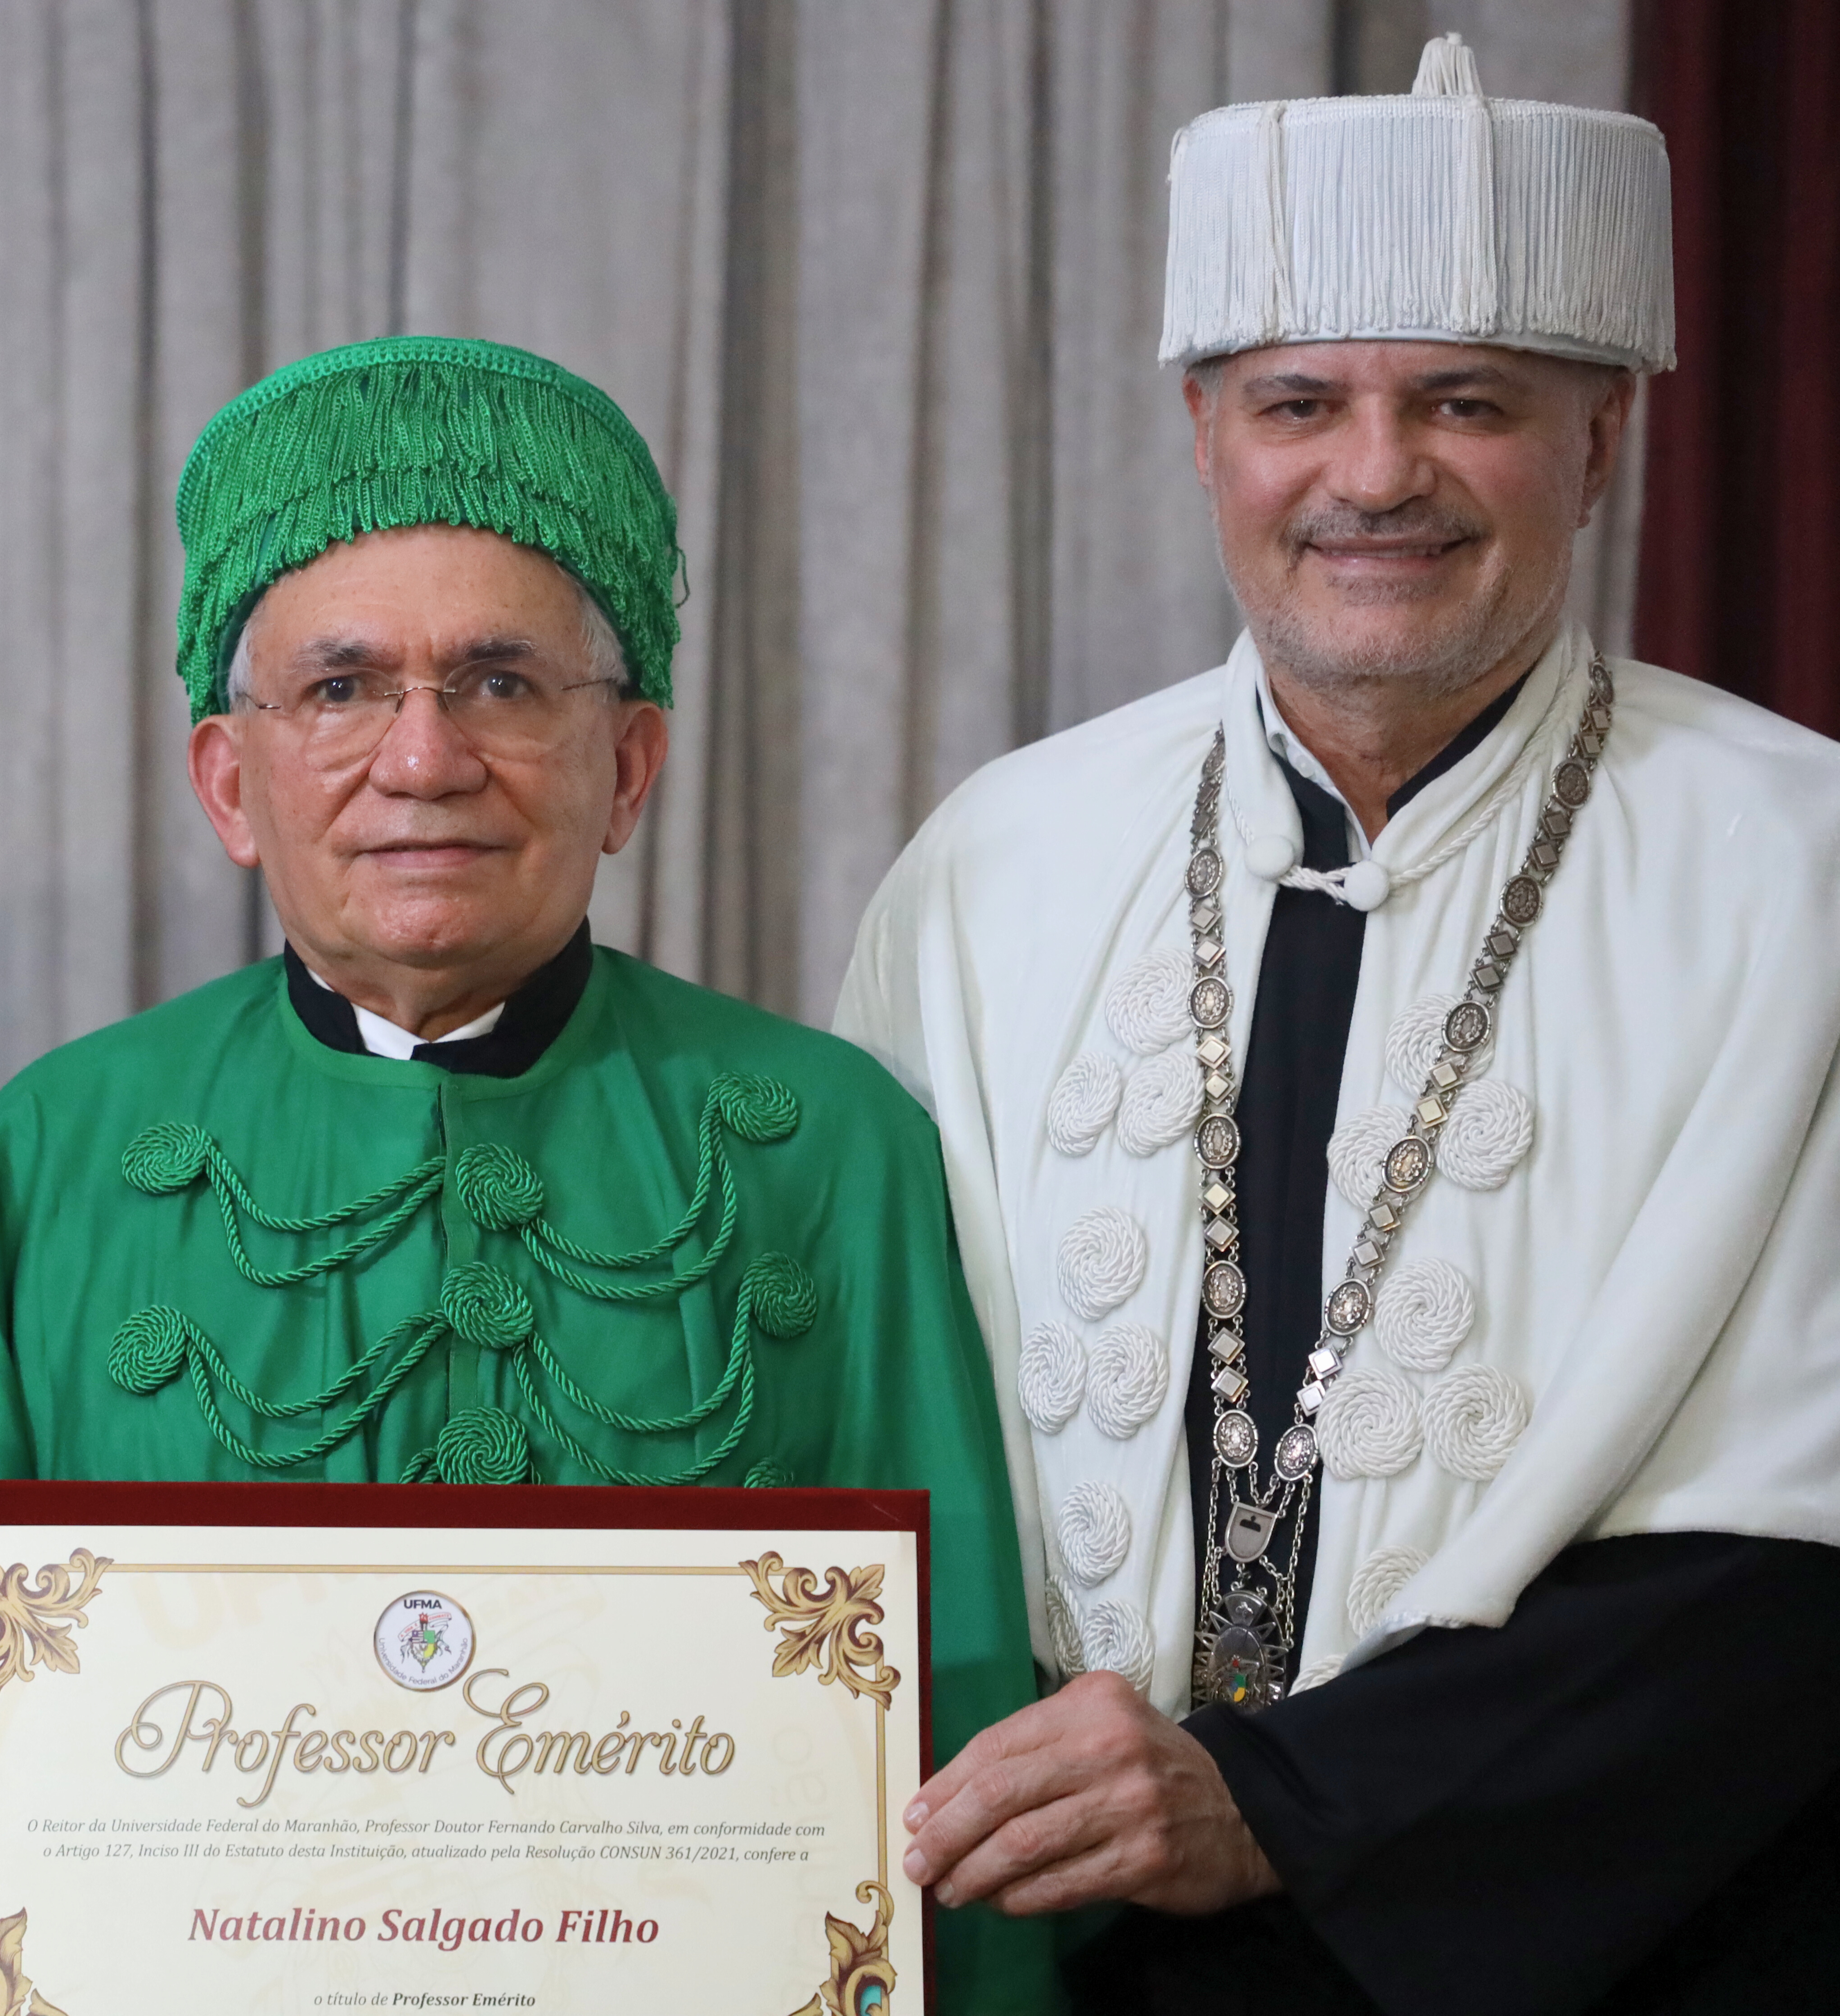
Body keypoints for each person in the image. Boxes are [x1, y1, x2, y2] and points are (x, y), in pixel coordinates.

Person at [0, 334, 1056, 2010]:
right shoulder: (50, 1151)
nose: (423, 759)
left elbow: (954, 1696)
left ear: (628, 766)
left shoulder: (836, 1140)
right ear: (230, 784)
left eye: (503, 684)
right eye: (340, 690)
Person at [834, 36, 1840, 2015]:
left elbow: (1792, 1569)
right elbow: (873, 1430)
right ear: (1208, 434)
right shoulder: (997, 864)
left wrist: (1285, 1798)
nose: (1375, 473)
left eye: (1468, 402)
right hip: (1063, 1948)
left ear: (1602, 440)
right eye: (1303, 402)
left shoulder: (1801, 865)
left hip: (1636, 1948)